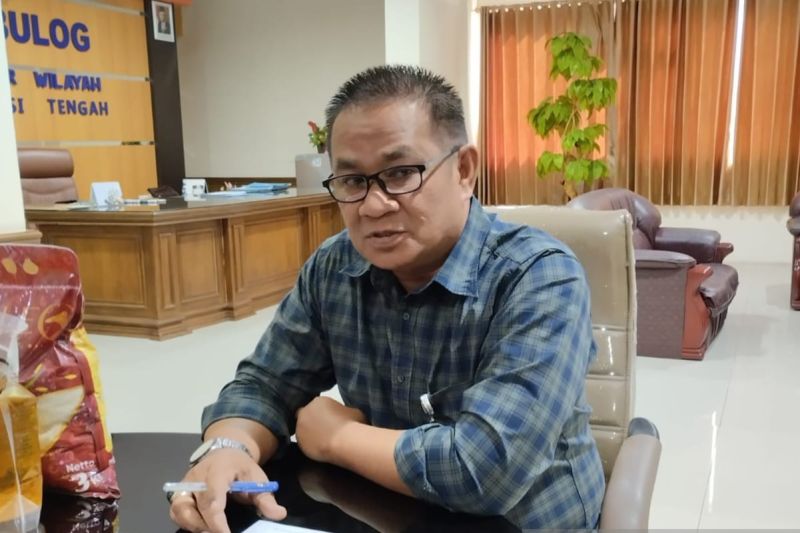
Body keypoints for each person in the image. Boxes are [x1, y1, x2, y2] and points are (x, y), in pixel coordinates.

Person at [169, 65, 605, 533]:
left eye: (401, 173)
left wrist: (337, 438)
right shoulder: (334, 267)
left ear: (464, 170)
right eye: (352, 181)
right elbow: (265, 384)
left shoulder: (539, 275)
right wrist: (228, 447)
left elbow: (491, 468)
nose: (374, 206)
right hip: (386, 514)